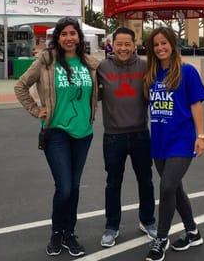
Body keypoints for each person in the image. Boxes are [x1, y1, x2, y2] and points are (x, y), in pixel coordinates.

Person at [14, 17, 100, 257]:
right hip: (56, 132)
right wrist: (36, 110)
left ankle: (69, 233)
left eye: (74, 33)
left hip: (84, 133)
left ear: (80, 38)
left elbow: (104, 91)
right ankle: (56, 231)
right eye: (64, 34)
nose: (69, 38)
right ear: (58, 38)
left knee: (73, 187)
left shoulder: (90, 63)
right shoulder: (46, 61)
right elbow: (20, 86)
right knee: (64, 187)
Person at [143, 27, 204, 261]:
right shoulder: (151, 75)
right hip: (160, 141)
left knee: (168, 187)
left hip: (182, 140)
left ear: (172, 44)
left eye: (164, 43)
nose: (160, 48)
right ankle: (192, 232)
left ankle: (161, 238)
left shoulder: (186, 72)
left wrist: (200, 136)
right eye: (156, 45)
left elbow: (196, 105)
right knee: (176, 188)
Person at [97, 27, 156, 247]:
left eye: (127, 44)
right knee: (113, 183)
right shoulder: (102, 67)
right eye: (119, 44)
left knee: (146, 181)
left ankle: (147, 221)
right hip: (113, 137)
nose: (123, 48)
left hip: (140, 133)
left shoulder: (146, 66)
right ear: (112, 44)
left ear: (134, 45)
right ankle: (112, 227)